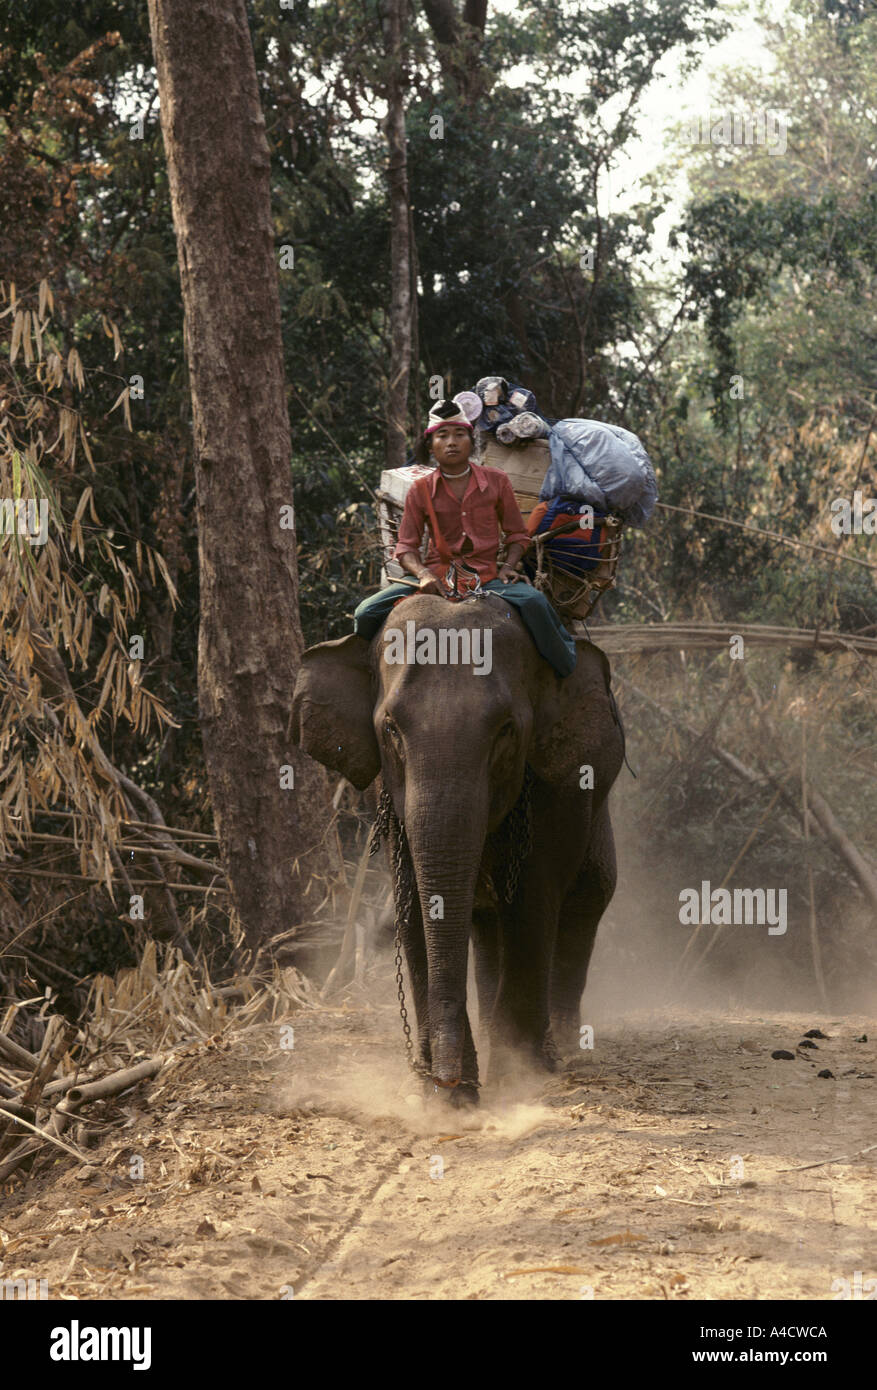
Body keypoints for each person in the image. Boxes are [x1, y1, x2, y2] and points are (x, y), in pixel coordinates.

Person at [353, 400, 577, 677]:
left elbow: (517, 534)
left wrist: (508, 567)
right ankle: (366, 678)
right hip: (435, 577)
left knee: (535, 604)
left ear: (471, 441)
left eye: (459, 435)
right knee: (365, 612)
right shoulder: (420, 490)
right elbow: (406, 547)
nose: (451, 442)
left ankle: (567, 673)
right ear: (430, 444)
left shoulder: (497, 481)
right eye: (442, 436)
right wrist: (422, 574)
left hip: (487, 577)